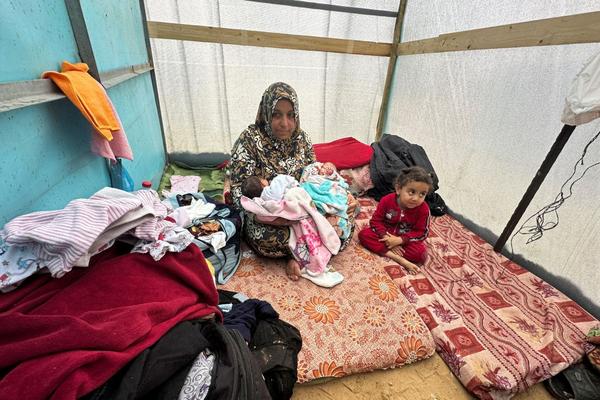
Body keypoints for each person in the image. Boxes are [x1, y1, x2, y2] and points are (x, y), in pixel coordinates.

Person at [229, 82, 357, 280]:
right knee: (263, 238)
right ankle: (304, 250)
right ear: (266, 113)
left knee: (346, 217)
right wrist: (267, 214)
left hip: (307, 206)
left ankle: (299, 253)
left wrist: (341, 196)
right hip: (271, 217)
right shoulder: (249, 140)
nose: (285, 123)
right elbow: (238, 191)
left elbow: (316, 175)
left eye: (290, 115)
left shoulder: (302, 139)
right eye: (276, 115)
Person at [358, 166, 432, 274]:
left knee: (420, 255)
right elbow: (376, 221)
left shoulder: (424, 209)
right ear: (398, 189)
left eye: (422, 194)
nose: (416, 198)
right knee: (364, 235)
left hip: (405, 240)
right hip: (385, 236)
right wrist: (385, 237)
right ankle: (399, 259)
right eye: (411, 192)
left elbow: (422, 233)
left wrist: (400, 240)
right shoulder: (387, 200)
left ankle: (386, 249)